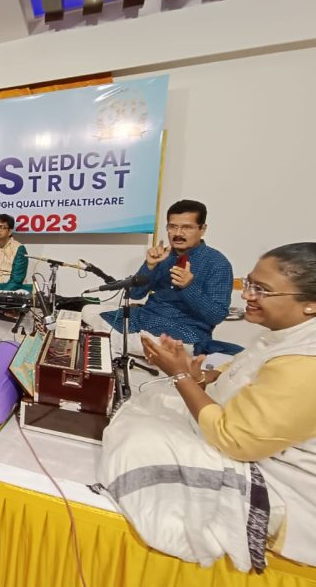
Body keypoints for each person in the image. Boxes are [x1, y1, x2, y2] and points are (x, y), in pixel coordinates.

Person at [98, 242, 316, 571]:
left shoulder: (305, 361)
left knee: (141, 438)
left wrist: (181, 374)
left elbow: (236, 439)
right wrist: (198, 375)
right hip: (156, 323)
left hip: (272, 471)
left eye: (262, 289)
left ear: (311, 304)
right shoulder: (283, 335)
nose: (247, 295)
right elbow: (235, 372)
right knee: (149, 398)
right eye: (249, 283)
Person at [82, 200, 233, 355]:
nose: (178, 233)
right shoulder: (164, 255)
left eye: (186, 227)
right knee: (87, 310)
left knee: (100, 337)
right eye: (173, 227)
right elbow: (135, 294)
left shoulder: (217, 263)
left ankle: (117, 341)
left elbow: (216, 316)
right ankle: (120, 341)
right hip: (146, 318)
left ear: (202, 229)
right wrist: (149, 266)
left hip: (183, 332)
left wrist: (189, 286)